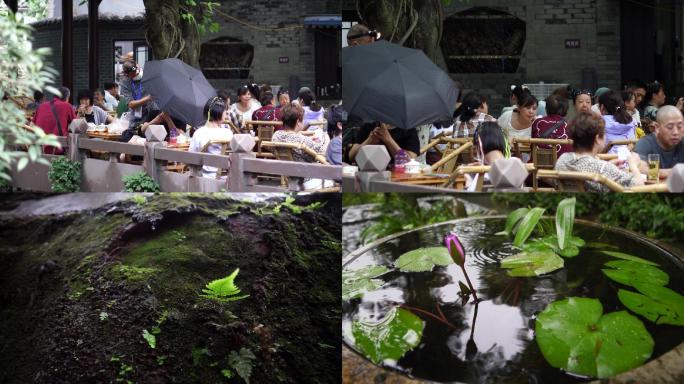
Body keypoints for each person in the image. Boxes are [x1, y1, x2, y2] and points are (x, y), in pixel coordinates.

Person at [555, 113, 644, 192]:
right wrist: (633, 166)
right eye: (605, 133)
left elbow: (587, 165)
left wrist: (607, 165)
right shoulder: (603, 168)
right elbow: (639, 186)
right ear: (597, 139)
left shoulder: (563, 159)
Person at [189, 97, 233, 179]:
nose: (226, 113)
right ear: (219, 113)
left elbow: (191, 157)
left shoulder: (199, 133)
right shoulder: (227, 133)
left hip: (203, 176)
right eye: (225, 111)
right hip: (226, 177)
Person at [634, 105, 684, 178]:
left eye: (679, 126)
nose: (675, 132)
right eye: (670, 127)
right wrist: (674, 171)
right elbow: (639, 168)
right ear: (657, 127)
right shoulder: (646, 143)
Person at [349, 121, 420, 166]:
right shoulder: (369, 125)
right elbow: (352, 157)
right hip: (367, 174)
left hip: (397, 176)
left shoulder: (408, 129)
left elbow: (408, 162)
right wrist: (369, 141)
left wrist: (389, 140)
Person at [33, 86, 76, 155]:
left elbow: (32, 125)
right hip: (57, 150)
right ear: (67, 98)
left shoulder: (41, 106)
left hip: (39, 149)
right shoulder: (67, 106)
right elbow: (76, 125)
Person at [119, 60, 156, 125]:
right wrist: (148, 98)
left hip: (153, 114)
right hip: (137, 118)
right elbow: (131, 104)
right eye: (133, 74)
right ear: (127, 74)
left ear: (137, 66)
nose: (136, 74)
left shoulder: (149, 75)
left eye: (136, 72)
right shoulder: (125, 82)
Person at [598, 90, 635, 154]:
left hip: (605, 160)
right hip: (626, 161)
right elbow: (632, 144)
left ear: (602, 107)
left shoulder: (598, 122)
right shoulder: (628, 120)